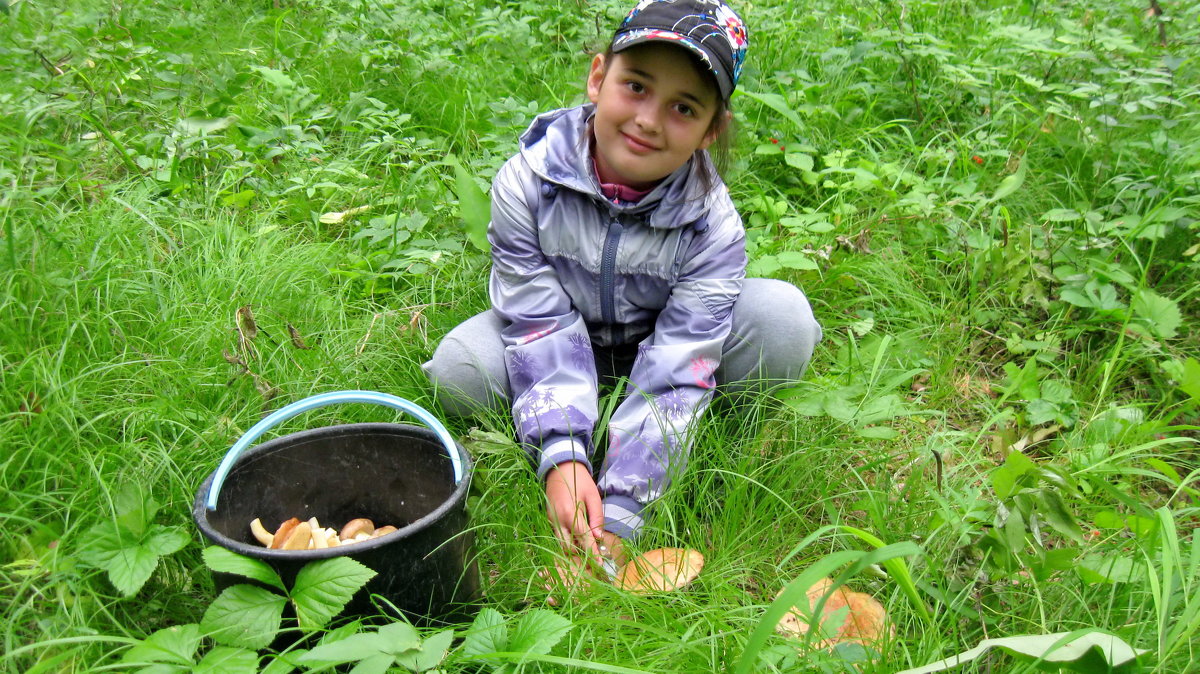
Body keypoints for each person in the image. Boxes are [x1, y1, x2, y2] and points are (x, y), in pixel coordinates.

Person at [424, 0, 821, 575]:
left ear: (713, 130)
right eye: (635, 86)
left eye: (683, 107)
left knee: (782, 322)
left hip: (662, 344)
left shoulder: (712, 224)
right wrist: (561, 456)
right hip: (559, 335)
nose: (649, 120)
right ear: (597, 77)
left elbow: (680, 359)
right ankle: (569, 422)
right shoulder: (527, 182)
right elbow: (538, 324)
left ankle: (684, 432)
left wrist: (625, 507)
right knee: (459, 372)